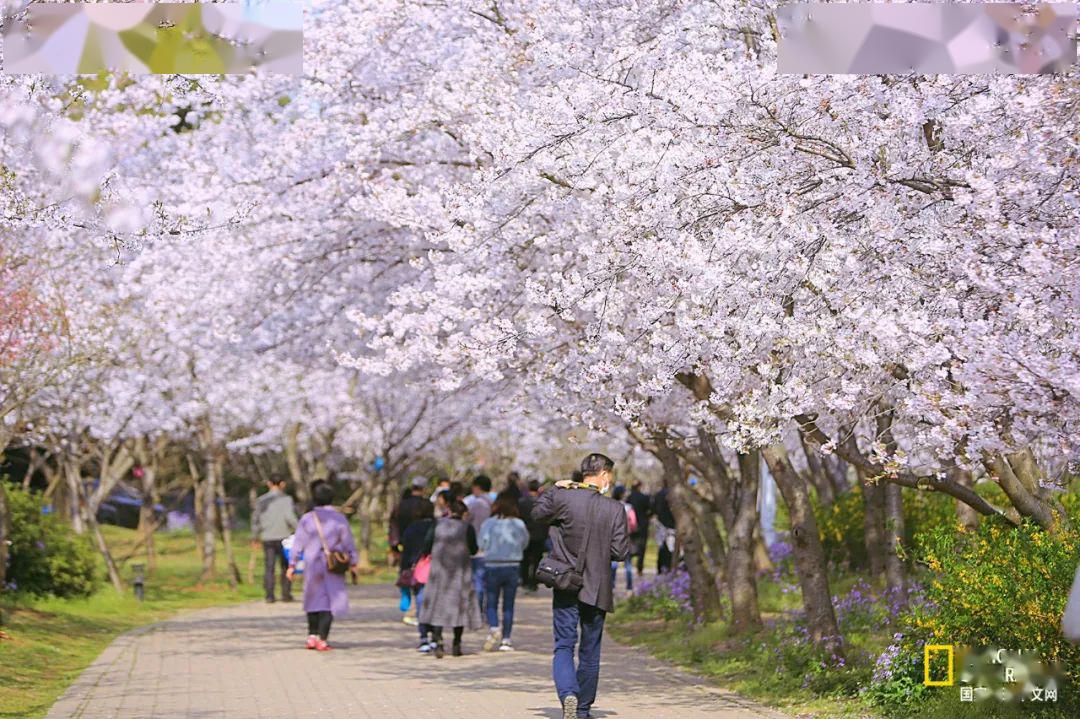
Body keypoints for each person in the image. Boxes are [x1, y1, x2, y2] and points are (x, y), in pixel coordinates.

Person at [532, 453, 629, 719]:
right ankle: (583, 709)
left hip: (565, 582)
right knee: (590, 649)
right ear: (604, 475)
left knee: (564, 645)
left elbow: (537, 513)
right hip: (596, 586)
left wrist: (554, 489)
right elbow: (620, 552)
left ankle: (568, 694)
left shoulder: (564, 498)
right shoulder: (614, 509)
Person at [286, 480, 359, 651]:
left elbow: (298, 543)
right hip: (333, 564)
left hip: (312, 564)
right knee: (328, 601)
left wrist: (292, 564)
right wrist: (354, 562)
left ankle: (311, 636)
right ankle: (323, 639)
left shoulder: (307, 518)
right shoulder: (339, 518)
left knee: (312, 599)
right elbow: (348, 542)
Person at [418, 499, 483, 658]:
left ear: (448, 509)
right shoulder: (467, 527)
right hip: (461, 572)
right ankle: (456, 643)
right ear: (463, 513)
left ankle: (438, 640)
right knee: (459, 606)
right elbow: (474, 549)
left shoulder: (437, 525)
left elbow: (426, 545)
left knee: (438, 604)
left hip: (439, 572)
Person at [479, 491, 529, 651]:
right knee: (509, 604)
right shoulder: (519, 524)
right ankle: (506, 639)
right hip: (512, 565)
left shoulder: (488, 523)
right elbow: (524, 542)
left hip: (492, 565)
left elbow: (482, 542)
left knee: (491, 602)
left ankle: (494, 627)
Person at [250, 475, 299, 603]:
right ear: (282, 484)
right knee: (285, 566)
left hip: (267, 536)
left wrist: (255, 537)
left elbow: (255, 520)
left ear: (269, 484)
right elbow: (290, 517)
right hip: (284, 536)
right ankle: (286, 594)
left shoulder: (261, 500)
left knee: (269, 566)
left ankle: (269, 595)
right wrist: (299, 529)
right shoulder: (287, 499)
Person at [400, 499, 437, 652]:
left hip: (418, 569)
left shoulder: (412, 528)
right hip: (436, 568)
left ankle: (423, 638)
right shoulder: (437, 526)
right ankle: (435, 635)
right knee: (435, 603)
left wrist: (405, 567)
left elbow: (406, 550)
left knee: (421, 601)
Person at [390, 476, 430, 617]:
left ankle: (405, 597)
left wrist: (394, 545)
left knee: (406, 570)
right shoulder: (427, 504)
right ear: (424, 488)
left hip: (405, 542)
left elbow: (393, 524)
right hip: (424, 542)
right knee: (421, 573)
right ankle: (419, 602)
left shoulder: (401, 505)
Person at [463, 475, 493, 612]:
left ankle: (477, 610)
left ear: (477, 487)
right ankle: (489, 611)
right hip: (493, 548)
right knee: (489, 583)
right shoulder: (494, 503)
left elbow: (465, 523)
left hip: (477, 548)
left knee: (478, 581)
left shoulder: (474, 504)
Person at [518, 479, 548, 591]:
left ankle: (525, 581)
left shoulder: (521, 502)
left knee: (525, 559)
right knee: (536, 560)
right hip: (539, 535)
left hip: (524, 534)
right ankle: (533, 582)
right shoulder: (543, 502)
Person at [610, 486, 637, 592]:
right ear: (621, 494)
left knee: (613, 563)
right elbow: (634, 524)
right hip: (626, 537)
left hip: (613, 538)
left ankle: (611, 585)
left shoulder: (610, 506)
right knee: (628, 563)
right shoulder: (629, 507)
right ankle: (629, 586)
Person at [627, 481, 652, 576]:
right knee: (642, 548)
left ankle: (628, 565)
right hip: (642, 525)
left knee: (630, 546)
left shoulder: (629, 498)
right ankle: (639, 568)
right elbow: (650, 510)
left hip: (630, 527)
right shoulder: (644, 497)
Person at [651, 486, 677, 574]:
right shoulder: (674, 494)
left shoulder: (658, 494)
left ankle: (661, 567)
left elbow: (653, 509)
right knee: (671, 547)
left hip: (661, 524)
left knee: (662, 547)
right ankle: (668, 567)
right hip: (671, 525)